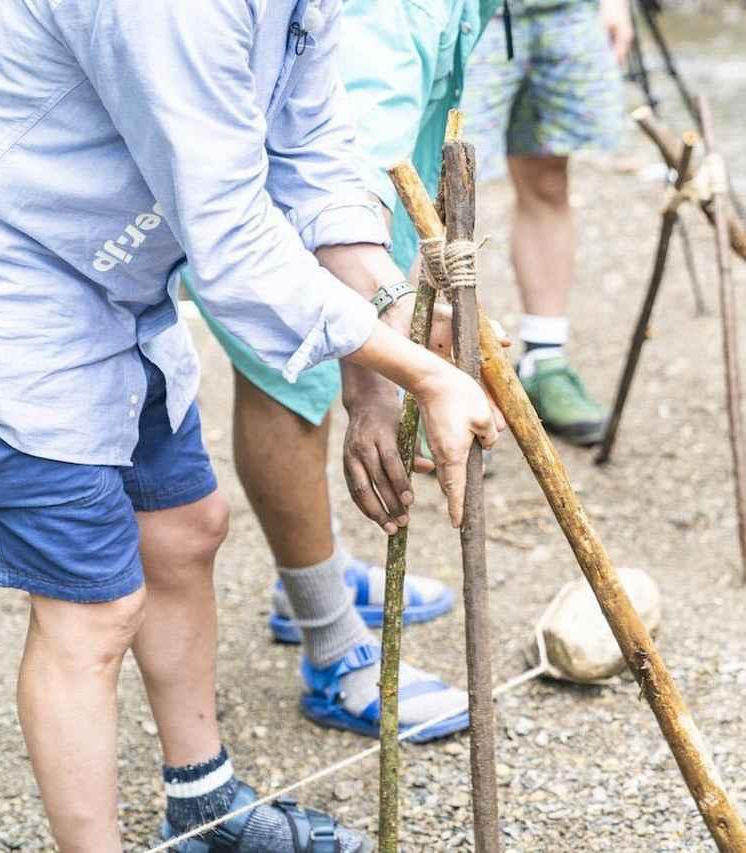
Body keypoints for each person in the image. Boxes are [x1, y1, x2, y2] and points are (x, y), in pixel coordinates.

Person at [0, 1, 501, 850]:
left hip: (108, 272)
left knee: (185, 528)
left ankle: (203, 807)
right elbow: (233, 242)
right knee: (91, 609)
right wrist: (422, 371)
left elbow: (315, 156)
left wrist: (391, 315)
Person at [185, 0, 502, 745]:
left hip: (352, 186)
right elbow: (335, 160)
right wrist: (377, 370)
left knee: (320, 368)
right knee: (290, 380)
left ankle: (312, 560)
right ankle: (329, 635)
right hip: (286, 222)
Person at [460, 0, 633, 445]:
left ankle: (544, 360)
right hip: (466, 14)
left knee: (549, 177)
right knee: (444, 184)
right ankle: (429, 375)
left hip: (566, 12)